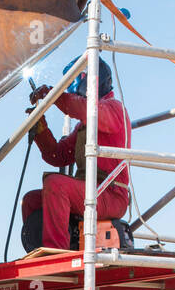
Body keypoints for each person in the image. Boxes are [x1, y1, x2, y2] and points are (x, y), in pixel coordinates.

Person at [21, 57, 131, 251]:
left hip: (110, 193)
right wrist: (40, 128)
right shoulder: (84, 126)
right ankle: (39, 249)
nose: (70, 91)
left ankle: (55, 252)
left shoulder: (114, 109)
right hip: (90, 191)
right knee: (31, 201)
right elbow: (58, 155)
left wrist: (54, 96)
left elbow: (88, 110)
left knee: (56, 185)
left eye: (71, 84)